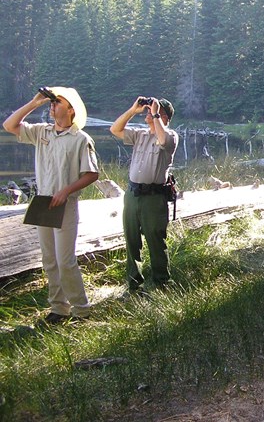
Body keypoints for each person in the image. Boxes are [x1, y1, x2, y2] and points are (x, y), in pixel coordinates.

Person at [3, 87, 99, 323]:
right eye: (52, 102)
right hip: (43, 202)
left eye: (58, 102)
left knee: (65, 260)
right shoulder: (41, 132)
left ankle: (81, 310)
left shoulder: (80, 139)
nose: (53, 105)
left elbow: (92, 173)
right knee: (49, 259)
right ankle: (59, 308)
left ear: (71, 109)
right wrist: (34, 103)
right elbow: (9, 125)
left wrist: (66, 191)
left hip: (65, 205)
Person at [110, 97, 179, 293]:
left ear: (164, 116)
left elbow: (164, 140)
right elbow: (115, 129)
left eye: (154, 111)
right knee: (131, 240)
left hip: (154, 197)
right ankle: (134, 284)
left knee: (156, 239)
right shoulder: (139, 135)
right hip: (132, 195)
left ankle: (162, 281)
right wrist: (133, 110)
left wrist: (156, 113)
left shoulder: (171, 136)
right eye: (149, 110)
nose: (148, 113)